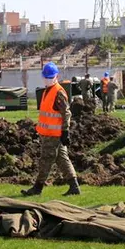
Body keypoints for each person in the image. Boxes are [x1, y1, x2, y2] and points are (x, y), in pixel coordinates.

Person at [22, 62, 80, 196]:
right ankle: (74, 187)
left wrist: (65, 131)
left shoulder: (58, 92)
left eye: (50, 77)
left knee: (45, 160)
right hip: (49, 133)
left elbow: (66, 113)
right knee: (62, 159)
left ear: (56, 76)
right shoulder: (47, 91)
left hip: (53, 135)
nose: (47, 79)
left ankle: (37, 188)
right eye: (46, 77)